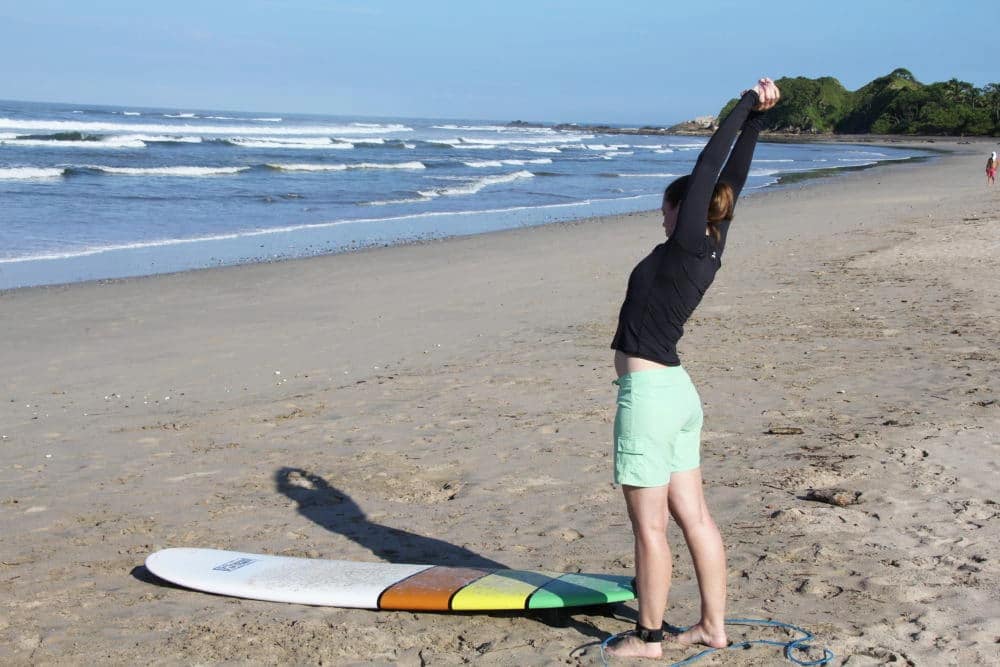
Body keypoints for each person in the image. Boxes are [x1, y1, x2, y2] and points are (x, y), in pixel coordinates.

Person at [605, 77, 780, 659]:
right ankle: (712, 627)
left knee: (651, 529)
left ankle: (649, 639)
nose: (660, 217)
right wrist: (756, 124)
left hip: (651, 399)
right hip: (678, 393)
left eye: (665, 207)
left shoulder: (685, 245)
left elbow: (710, 166)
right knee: (696, 519)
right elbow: (733, 179)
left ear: (682, 210)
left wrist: (746, 104)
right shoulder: (712, 245)